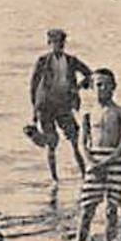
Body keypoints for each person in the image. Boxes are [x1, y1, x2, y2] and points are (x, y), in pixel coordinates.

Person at [64, 69, 121, 241]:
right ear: (92, 87)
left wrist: (108, 161)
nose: (102, 89)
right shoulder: (87, 113)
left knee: (112, 209)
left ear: (114, 87)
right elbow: (83, 143)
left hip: (114, 161)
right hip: (94, 160)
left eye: (106, 84)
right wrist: (92, 163)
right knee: (87, 209)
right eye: (98, 84)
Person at [27, 29, 93, 183]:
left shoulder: (71, 61)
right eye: (55, 42)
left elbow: (90, 74)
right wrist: (34, 110)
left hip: (64, 105)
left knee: (74, 139)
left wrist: (78, 87)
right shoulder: (42, 61)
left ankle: (85, 175)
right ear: (49, 43)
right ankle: (55, 180)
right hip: (46, 107)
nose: (59, 45)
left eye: (61, 42)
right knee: (52, 143)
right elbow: (34, 85)